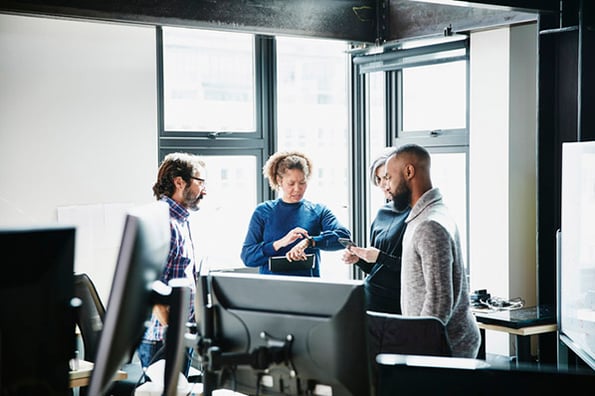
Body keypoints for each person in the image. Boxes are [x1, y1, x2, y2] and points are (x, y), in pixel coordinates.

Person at [384, 143, 481, 358]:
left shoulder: (429, 225)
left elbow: (439, 301)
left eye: (389, 177)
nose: (386, 186)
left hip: (444, 349)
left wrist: (418, 351)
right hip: (435, 343)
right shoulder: (425, 216)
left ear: (409, 172)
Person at [137, 152, 207, 375]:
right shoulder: (165, 223)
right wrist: (173, 331)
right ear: (180, 182)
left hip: (177, 331)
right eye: (200, 182)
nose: (204, 190)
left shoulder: (180, 220)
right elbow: (151, 287)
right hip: (163, 337)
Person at [241, 150, 351, 277]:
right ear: (279, 180)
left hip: (307, 290)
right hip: (272, 290)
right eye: (291, 183)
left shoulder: (318, 211)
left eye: (302, 183)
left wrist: (310, 241)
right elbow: (248, 257)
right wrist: (280, 243)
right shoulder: (263, 211)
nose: (297, 189)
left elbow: (344, 237)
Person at [341, 149, 411, 314]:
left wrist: (380, 257)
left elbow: (414, 268)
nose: (383, 185)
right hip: (371, 298)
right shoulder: (382, 213)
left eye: (387, 177)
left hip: (399, 303)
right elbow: (377, 268)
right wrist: (359, 259)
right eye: (379, 179)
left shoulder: (416, 215)